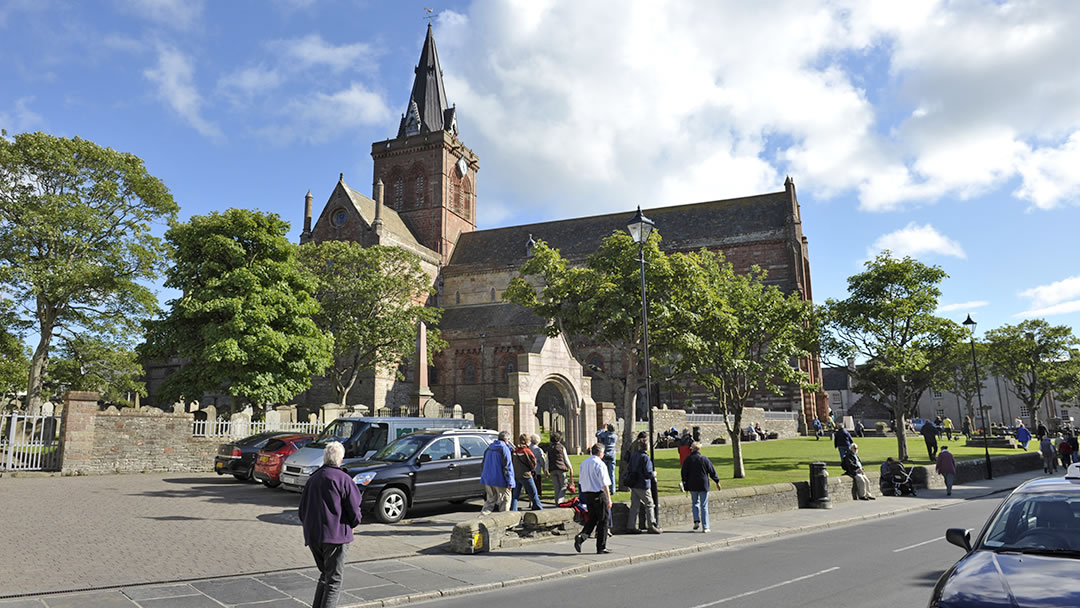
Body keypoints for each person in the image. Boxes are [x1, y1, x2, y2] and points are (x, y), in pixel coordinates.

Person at [298, 441, 363, 608]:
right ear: (340, 460)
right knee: (334, 581)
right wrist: (353, 524)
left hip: (313, 537)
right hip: (335, 536)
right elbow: (355, 510)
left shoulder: (313, 479)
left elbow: (301, 511)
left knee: (325, 575)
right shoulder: (344, 479)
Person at [573, 443, 613, 554]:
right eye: (603, 452)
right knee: (603, 520)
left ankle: (582, 536)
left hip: (588, 494)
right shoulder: (600, 464)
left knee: (593, 518)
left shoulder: (584, 463)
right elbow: (604, 483)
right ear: (600, 453)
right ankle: (601, 547)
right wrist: (609, 498)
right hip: (598, 494)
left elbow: (581, 481)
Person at [625, 432, 662, 535]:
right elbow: (647, 473)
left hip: (634, 483)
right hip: (643, 484)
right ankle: (651, 525)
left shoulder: (635, 455)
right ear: (647, 447)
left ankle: (631, 526)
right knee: (650, 504)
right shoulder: (645, 457)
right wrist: (653, 474)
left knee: (634, 506)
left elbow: (630, 467)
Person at [681, 441, 721, 532]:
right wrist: (717, 481)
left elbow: (684, 473)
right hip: (703, 484)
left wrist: (684, 483)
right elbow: (712, 471)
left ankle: (696, 521)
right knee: (704, 506)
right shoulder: (704, 459)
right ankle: (705, 527)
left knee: (695, 503)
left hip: (692, 485)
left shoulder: (688, 460)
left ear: (692, 449)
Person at [480, 431, 515, 514]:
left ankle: (481, 519)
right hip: (500, 479)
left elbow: (483, 463)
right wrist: (510, 482)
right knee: (505, 500)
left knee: (490, 501)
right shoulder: (504, 448)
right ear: (507, 440)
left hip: (488, 479)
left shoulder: (489, 448)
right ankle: (505, 522)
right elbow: (507, 467)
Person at [510, 433, 542, 511]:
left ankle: (513, 510)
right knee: (533, 493)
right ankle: (538, 508)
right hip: (526, 475)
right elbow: (533, 463)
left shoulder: (515, 450)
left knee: (515, 496)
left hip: (516, 475)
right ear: (528, 441)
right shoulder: (527, 451)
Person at [547, 431, 572, 504]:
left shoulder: (549, 448)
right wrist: (570, 467)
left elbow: (547, 460)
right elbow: (565, 458)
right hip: (561, 468)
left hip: (552, 469)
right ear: (559, 439)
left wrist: (545, 470)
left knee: (556, 486)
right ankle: (560, 501)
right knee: (564, 485)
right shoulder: (561, 447)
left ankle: (556, 501)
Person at [596, 423, 617, 494]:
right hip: (612, 455)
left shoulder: (604, 435)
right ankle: (613, 489)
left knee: (603, 472)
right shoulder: (615, 436)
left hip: (604, 454)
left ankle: (603, 488)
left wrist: (602, 428)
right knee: (612, 473)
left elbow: (597, 434)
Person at [528, 433, 547, 501]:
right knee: (536, 486)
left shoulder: (528, 448)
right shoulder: (538, 450)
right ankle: (535, 501)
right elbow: (542, 461)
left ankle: (530, 500)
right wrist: (545, 470)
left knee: (530, 487)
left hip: (528, 471)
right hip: (536, 470)